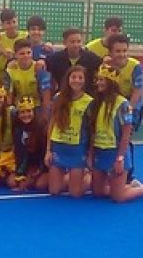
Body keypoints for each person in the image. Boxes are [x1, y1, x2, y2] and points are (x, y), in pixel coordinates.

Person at [88, 71, 143, 202]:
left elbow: (126, 134)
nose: (98, 83)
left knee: (118, 197)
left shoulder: (123, 104)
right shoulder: (96, 102)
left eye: (102, 80)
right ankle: (131, 186)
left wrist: (120, 158)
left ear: (111, 82)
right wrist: (91, 154)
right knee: (98, 192)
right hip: (100, 152)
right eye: (97, 80)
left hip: (116, 153)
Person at [46, 65, 93, 198]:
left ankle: (89, 176)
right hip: (59, 146)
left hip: (77, 149)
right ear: (68, 79)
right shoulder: (58, 97)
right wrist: (48, 150)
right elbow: (52, 124)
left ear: (85, 81)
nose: (76, 80)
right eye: (73, 77)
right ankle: (71, 176)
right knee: (54, 191)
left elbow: (92, 130)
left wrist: (90, 154)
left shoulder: (89, 102)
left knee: (75, 193)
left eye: (80, 78)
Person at [8, 97, 48, 192]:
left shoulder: (42, 128)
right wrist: (20, 173)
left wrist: (40, 170)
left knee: (40, 185)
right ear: (18, 114)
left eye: (29, 111)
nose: (26, 115)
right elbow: (19, 153)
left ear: (34, 112)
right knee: (12, 182)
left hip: (41, 163)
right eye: (22, 112)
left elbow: (45, 152)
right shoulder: (17, 129)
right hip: (27, 163)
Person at [4, 39, 52, 116]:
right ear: (15, 55)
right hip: (19, 108)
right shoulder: (10, 70)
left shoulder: (39, 68)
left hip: (36, 107)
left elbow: (46, 95)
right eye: (22, 53)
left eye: (29, 53)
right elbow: (9, 95)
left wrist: (45, 114)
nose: (26, 56)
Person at [47, 28, 102, 93]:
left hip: (86, 96)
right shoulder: (55, 58)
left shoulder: (91, 58)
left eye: (79, 41)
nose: (76, 45)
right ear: (64, 43)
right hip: (63, 95)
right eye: (72, 42)